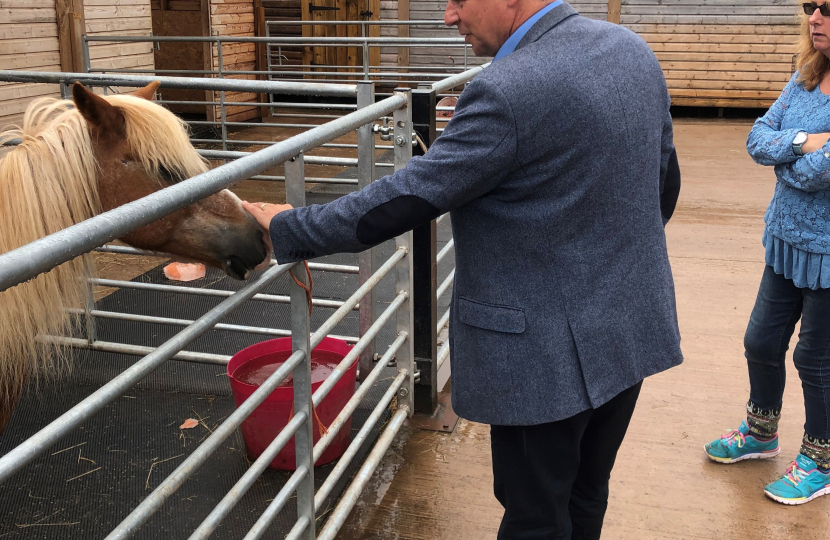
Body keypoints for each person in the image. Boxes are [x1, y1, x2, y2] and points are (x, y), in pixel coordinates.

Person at [244, 0, 682, 537]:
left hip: (543, 359)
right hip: (628, 327)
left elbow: (407, 198)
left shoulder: (507, 90)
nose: (448, 15)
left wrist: (293, 226)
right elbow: (664, 188)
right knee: (586, 489)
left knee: (534, 514)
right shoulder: (631, 50)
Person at [703, 1, 830, 506]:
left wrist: (785, 158)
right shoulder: (803, 76)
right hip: (784, 242)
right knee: (760, 340)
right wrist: (803, 142)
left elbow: (822, 174)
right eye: (810, 7)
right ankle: (761, 432)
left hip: (827, 255)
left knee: (816, 360)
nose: (814, 18)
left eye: (826, 8)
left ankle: (820, 460)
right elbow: (758, 138)